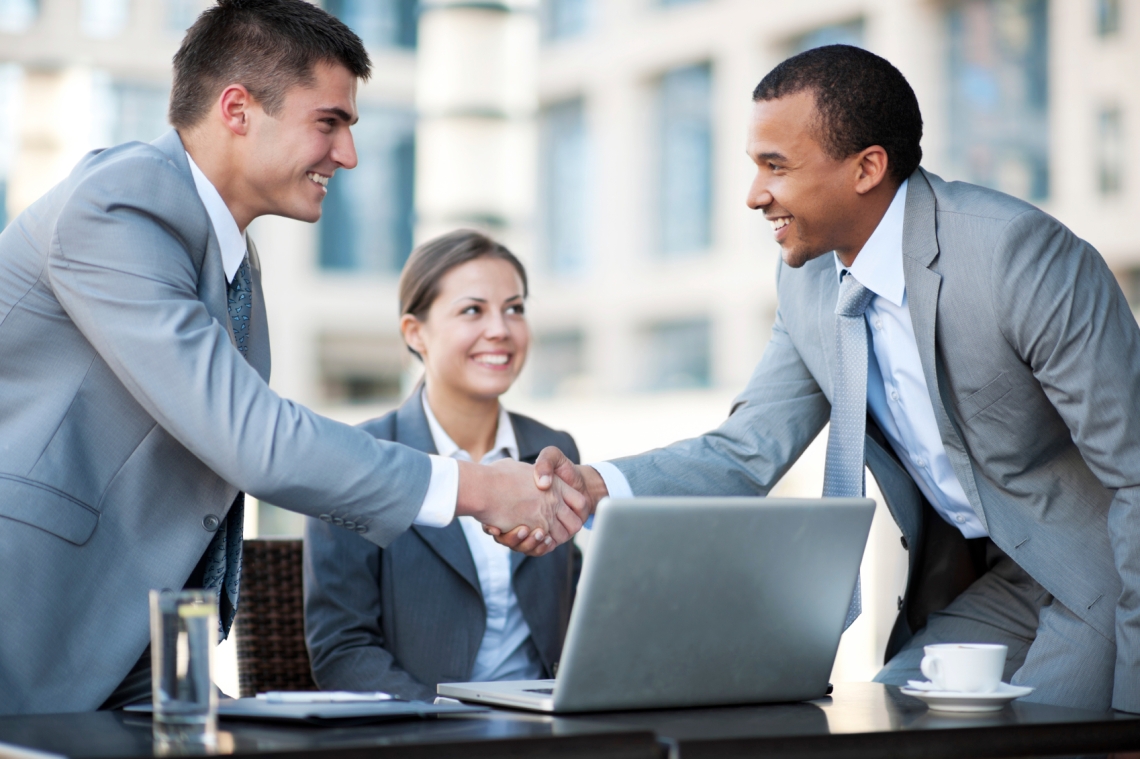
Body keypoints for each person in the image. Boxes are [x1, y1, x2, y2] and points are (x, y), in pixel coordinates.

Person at [514, 45, 1140, 714]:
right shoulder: (808, 282)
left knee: (1042, 739)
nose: (755, 195)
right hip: (1001, 583)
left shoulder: (1017, 255)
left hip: (1099, 572)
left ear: (867, 167)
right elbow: (745, 449)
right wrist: (595, 483)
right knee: (888, 721)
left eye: (774, 167)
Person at [0, 0, 579, 715]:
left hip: (135, 652)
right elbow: (254, 438)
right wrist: (484, 488)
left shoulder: (230, 256)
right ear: (237, 108)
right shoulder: (118, 208)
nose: (348, 154)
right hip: (31, 632)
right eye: (329, 122)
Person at [304, 231, 581, 701]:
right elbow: (342, 649)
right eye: (473, 310)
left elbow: (576, 615)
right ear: (416, 332)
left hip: (549, 726)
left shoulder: (552, 448)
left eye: (514, 308)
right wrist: (438, 723)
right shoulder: (358, 458)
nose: (501, 329)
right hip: (426, 731)